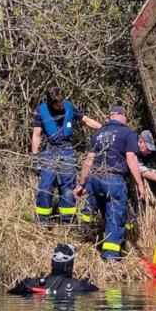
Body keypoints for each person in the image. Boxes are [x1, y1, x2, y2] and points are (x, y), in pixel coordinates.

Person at [75, 106, 146, 260]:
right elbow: (131, 159)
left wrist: (81, 183)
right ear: (120, 116)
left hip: (94, 180)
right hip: (114, 180)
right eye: (125, 116)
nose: (126, 119)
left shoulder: (98, 134)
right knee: (114, 219)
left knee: (89, 213)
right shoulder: (128, 133)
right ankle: (111, 258)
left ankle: (83, 240)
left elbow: (89, 160)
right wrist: (140, 184)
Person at [31, 87, 101, 224]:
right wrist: (34, 156)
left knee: (68, 186)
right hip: (48, 150)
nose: (61, 105)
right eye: (58, 103)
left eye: (62, 101)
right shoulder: (41, 111)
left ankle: (67, 221)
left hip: (66, 149)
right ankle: (42, 220)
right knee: (46, 185)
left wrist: (104, 128)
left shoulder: (69, 107)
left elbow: (86, 120)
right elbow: (36, 134)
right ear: (51, 102)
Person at [8, 243, 98, 295]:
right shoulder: (79, 286)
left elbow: (12, 292)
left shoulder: (33, 283)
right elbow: (96, 290)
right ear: (70, 263)